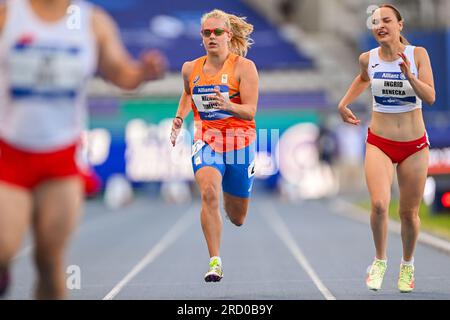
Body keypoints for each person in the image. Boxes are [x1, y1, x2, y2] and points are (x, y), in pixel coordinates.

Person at [0, 0, 166, 299]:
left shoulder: (92, 22)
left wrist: (142, 72)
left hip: (61, 159)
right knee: (3, 246)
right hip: (9, 153)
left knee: (49, 260)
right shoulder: (8, 14)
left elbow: (120, 72)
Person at [338, 4, 435, 293]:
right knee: (379, 205)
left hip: (414, 146)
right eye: (376, 21)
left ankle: (407, 265)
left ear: (400, 25)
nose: (380, 25)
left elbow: (430, 96)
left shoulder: (418, 55)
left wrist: (410, 76)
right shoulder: (367, 58)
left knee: (408, 213)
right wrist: (343, 103)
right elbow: (363, 79)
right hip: (379, 142)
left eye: (386, 20)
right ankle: (379, 260)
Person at [170, 9, 258, 282]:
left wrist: (228, 105)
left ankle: (234, 203)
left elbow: (251, 111)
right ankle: (215, 261)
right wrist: (178, 117)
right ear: (202, 37)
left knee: (238, 216)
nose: (212, 37)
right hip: (206, 140)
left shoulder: (244, 67)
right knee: (208, 192)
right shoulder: (190, 69)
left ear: (228, 36)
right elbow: (187, 94)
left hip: (239, 142)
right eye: (206, 33)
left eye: (217, 32)